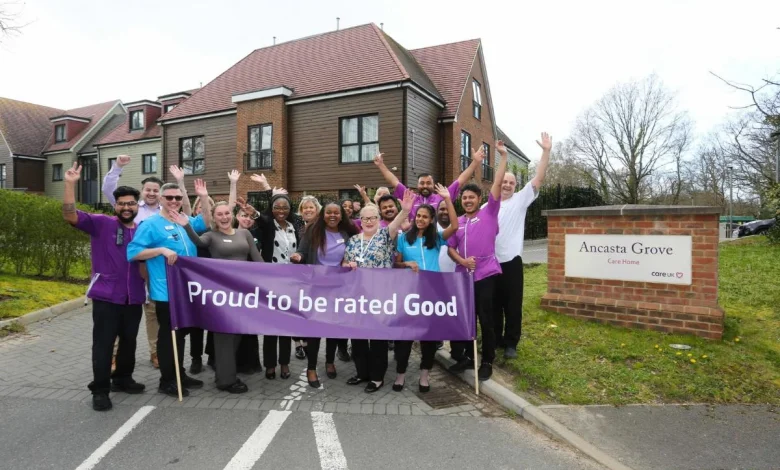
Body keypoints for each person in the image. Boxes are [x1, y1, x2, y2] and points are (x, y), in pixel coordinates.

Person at [62, 162, 147, 411]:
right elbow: (70, 214)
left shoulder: (143, 230)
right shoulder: (101, 224)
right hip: (107, 297)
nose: (126, 207)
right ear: (116, 205)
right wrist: (69, 184)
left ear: (137, 206)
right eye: (121, 203)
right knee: (104, 343)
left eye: (131, 203)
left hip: (134, 297)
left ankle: (122, 378)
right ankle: (100, 389)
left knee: (129, 341)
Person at [126, 180, 210, 397]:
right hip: (166, 292)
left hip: (187, 291)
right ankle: (167, 380)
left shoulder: (185, 221)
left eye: (178, 197)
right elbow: (133, 253)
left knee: (181, 335)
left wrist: (202, 196)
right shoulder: (150, 224)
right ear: (161, 199)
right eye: (169, 197)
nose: (174, 201)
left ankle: (179, 374)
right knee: (169, 336)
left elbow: (207, 223)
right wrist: (160, 250)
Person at [177, 195, 263, 394]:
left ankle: (225, 373)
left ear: (232, 215)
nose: (224, 217)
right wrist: (186, 225)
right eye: (219, 214)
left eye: (226, 213)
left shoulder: (245, 234)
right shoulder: (211, 236)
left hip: (243, 292)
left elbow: (258, 261)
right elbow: (197, 242)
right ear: (214, 218)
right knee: (224, 336)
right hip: (221, 294)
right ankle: (226, 381)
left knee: (237, 334)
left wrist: (274, 277)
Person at [446, 142, 507, 381]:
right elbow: (450, 249)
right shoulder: (458, 221)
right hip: (463, 275)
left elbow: (498, 183)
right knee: (466, 319)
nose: (468, 201)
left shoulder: (489, 212)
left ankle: (488, 360)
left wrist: (502, 157)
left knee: (486, 318)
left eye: (472, 197)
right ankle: (468, 358)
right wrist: (462, 260)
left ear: (480, 198)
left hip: (485, 275)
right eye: (465, 198)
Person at [342, 190, 414, 393]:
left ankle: (376, 377)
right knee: (357, 338)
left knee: (377, 338)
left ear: (378, 218)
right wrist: (349, 265)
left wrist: (405, 210)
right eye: (364, 218)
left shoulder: (385, 234)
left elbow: (397, 221)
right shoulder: (354, 240)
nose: (368, 221)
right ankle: (361, 372)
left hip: (380, 295)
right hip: (357, 295)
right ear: (360, 220)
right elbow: (345, 262)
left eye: (373, 217)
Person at [488, 133, 551, 359]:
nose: (507, 185)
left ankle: (511, 343)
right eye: (504, 182)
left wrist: (545, 152)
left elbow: (539, 178)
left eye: (511, 182)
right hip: (490, 262)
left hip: (512, 261)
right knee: (494, 304)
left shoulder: (521, 200)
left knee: (512, 305)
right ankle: (495, 339)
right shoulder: (489, 204)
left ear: (515, 186)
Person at [393, 184, 458, 393]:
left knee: (429, 337)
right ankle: (401, 373)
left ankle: (424, 374)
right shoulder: (404, 238)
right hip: (409, 293)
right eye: (418, 216)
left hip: (431, 293)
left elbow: (455, 226)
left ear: (431, 220)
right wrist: (406, 265)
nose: (420, 219)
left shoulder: (436, 239)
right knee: (404, 336)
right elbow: (396, 264)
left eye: (424, 217)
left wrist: (447, 199)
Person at [291, 202, 360, 388]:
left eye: (336, 213)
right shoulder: (313, 231)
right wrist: (298, 256)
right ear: (323, 214)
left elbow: (356, 254)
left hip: (339, 288)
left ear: (341, 215)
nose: (332, 215)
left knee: (333, 329)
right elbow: (302, 252)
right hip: (316, 288)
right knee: (315, 330)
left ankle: (330, 361)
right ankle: (311, 368)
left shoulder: (348, 234)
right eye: (328, 212)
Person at [239, 191, 302, 380]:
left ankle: (284, 363)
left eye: (285, 207)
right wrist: (254, 213)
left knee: (285, 326)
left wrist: (300, 256)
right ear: (271, 209)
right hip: (270, 281)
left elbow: (302, 247)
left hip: (291, 282)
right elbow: (263, 220)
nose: (281, 211)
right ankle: (270, 365)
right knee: (270, 326)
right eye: (277, 207)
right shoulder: (268, 226)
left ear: (290, 209)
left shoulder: (294, 226)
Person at [187, 170, 240, 374]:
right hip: (197, 277)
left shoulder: (218, 227)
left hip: (217, 279)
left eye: (207, 206)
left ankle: (214, 357)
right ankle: (196, 358)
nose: (204, 209)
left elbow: (230, 207)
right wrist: (186, 186)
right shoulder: (196, 226)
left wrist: (233, 184)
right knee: (198, 322)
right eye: (201, 206)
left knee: (216, 321)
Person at [373, 150, 483, 219]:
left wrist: (475, 162)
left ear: (433, 185)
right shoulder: (410, 197)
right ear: (417, 185)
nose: (425, 186)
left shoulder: (442, 197)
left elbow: (461, 180)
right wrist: (381, 165)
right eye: (422, 183)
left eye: (428, 183)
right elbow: (394, 181)